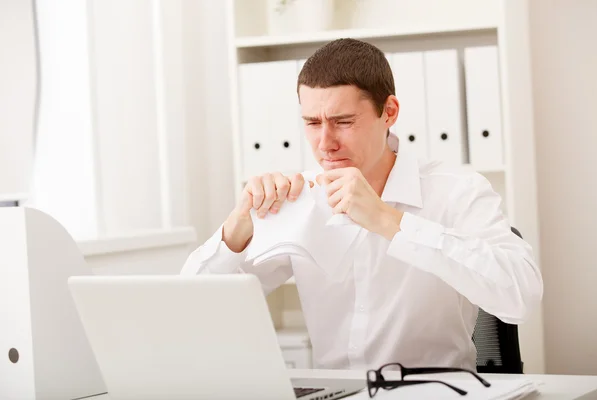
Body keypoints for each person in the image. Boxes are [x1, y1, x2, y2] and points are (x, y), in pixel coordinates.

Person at [181, 38, 543, 370]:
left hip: (437, 392)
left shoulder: (456, 191)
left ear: (389, 112)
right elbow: (193, 312)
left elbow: (521, 296)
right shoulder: (299, 197)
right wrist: (236, 232)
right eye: (311, 122)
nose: (325, 143)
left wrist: (390, 221)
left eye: (343, 122)